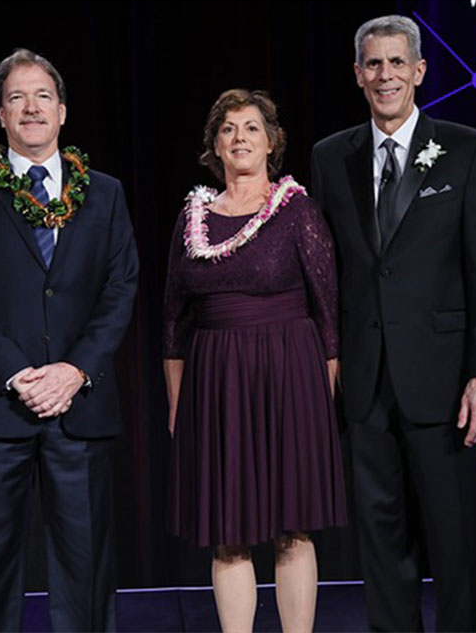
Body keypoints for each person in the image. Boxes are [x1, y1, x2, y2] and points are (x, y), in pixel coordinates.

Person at [310, 15, 476, 632]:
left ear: (420, 71)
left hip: (446, 383)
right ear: (357, 75)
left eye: (398, 63)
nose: (386, 75)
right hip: (366, 387)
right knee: (381, 548)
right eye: (374, 64)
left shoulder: (467, 148)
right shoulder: (329, 157)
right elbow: (327, 275)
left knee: (455, 547)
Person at [0, 48, 139, 632]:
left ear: (63, 110)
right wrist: (17, 373)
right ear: (0, 114)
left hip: (81, 407)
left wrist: (75, 371)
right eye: (17, 97)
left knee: (87, 568)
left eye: (42, 96)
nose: (31, 107)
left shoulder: (105, 193)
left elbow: (120, 290)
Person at [163, 89, 347, 633]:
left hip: (292, 377)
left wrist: (321, 402)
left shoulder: (299, 212)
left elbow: (328, 314)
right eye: (227, 129)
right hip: (216, 382)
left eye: (250, 128)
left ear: (271, 142)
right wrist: (179, 406)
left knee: (293, 529)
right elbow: (172, 324)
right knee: (228, 529)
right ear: (214, 146)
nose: (238, 137)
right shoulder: (191, 219)